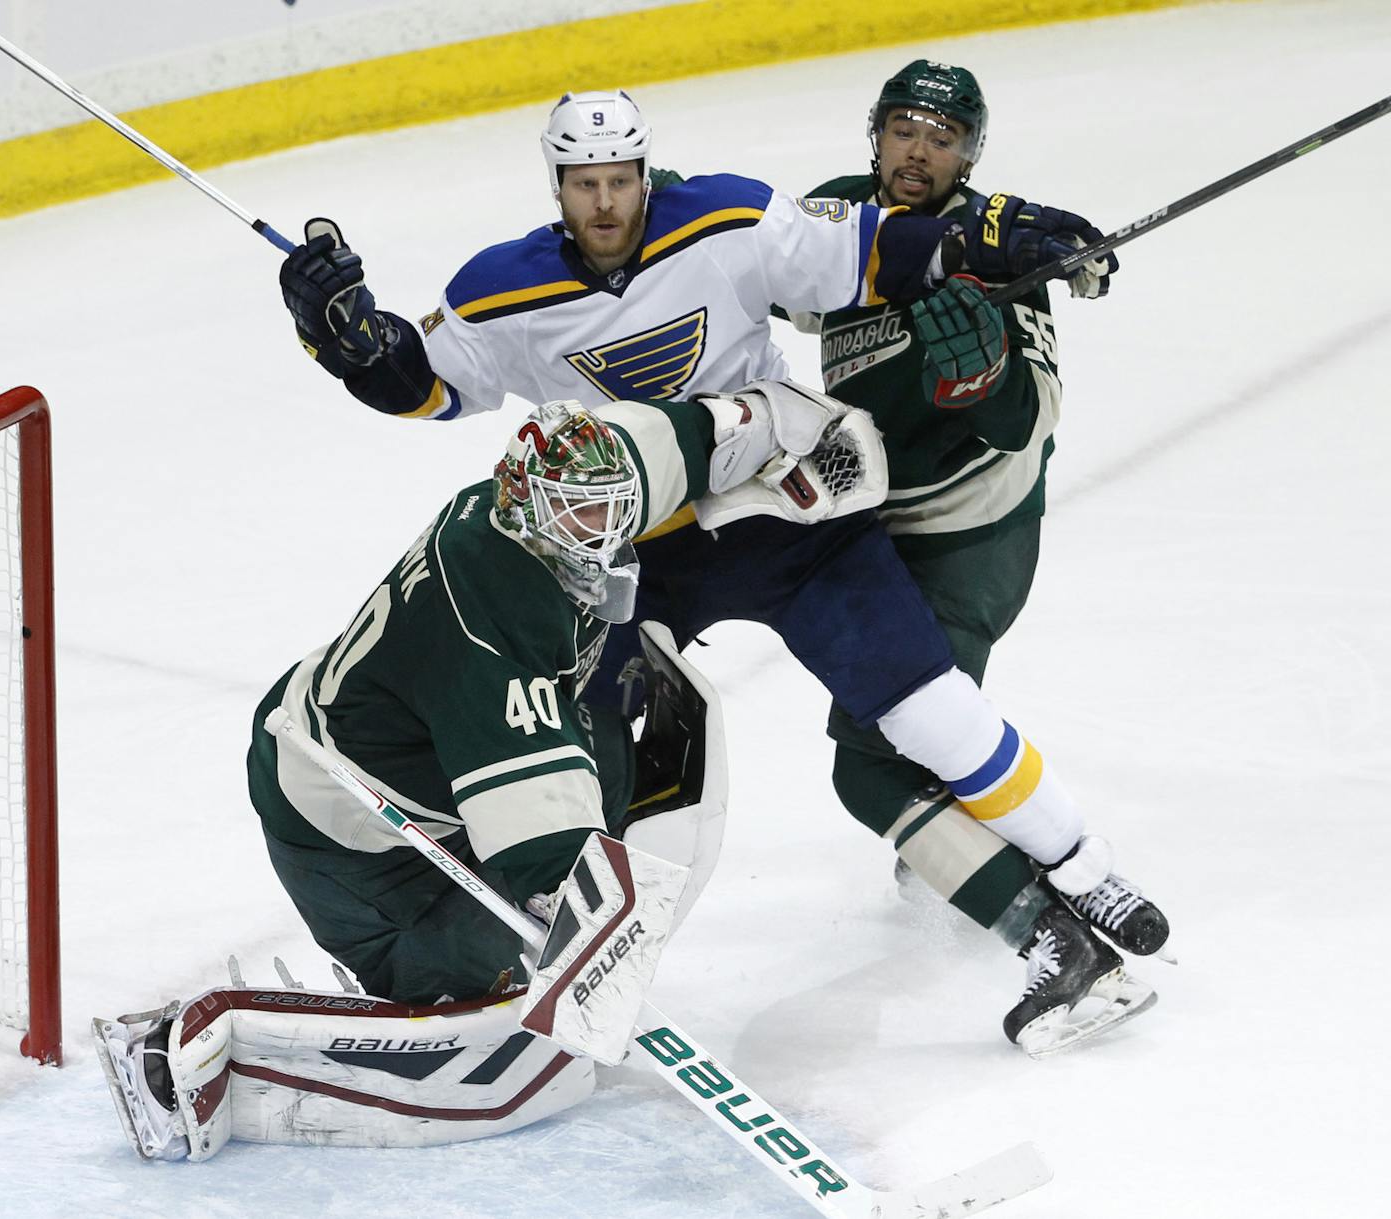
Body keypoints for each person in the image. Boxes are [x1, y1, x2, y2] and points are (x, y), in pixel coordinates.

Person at [274, 88, 1156, 1052]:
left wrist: (1001, 237)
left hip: (785, 509)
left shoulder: (729, 219)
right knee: (585, 750)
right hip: (637, 560)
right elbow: (424, 384)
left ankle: (1081, 870)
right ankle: (538, 954)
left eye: (619, 181)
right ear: (558, 186)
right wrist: (350, 341)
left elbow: (882, 252)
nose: (605, 204)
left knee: (922, 705)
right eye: (585, 185)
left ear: (645, 174)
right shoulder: (505, 288)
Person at [93, 385, 854, 1161]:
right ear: (523, 504)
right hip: (343, 829)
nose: (606, 530)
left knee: (613, 766)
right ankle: (178, 1049)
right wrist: (589, 952)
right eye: (582, 515)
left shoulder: (577, 480)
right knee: (501, 964)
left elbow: (688, 433)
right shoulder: (494, 609)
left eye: (614, 510)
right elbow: (544, 851)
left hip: (399, 738)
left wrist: (787, 424)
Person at [791, 59, 1168, 1039]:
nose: (919, 151)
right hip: (870, 523)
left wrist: (983, 381)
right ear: (872, 133)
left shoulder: (1007, 263)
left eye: (943, 137)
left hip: (968, 540)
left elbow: (1027, 421)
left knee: (874, 762)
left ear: (967, 154)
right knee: (908, 748)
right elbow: (772, 273)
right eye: (904, 128)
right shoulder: (841, 214)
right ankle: (1056, 870)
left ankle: (1064, 937)